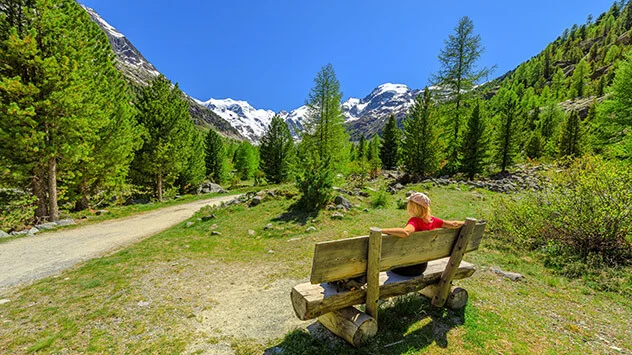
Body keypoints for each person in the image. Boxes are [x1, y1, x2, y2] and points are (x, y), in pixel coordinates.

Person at [381, 192, 464, 276]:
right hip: (421, 267)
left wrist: (382, 230)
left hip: (406, 267)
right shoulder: (433, 220)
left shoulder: (415, 221)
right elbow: (454, 224)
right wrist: (467, 223)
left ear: (413, 207)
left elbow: (405, 232)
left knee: (389, 267)